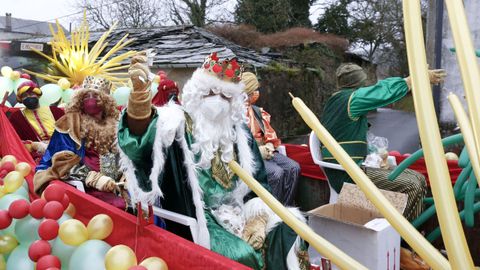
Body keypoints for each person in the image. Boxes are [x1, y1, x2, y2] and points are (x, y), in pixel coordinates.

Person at [118, 52, 308, 270]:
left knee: (291, 229)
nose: (217, 101)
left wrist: (259, 218)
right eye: (210, 92)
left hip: (239, 209)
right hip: (200, 217)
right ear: (196, 92)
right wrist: (140, 99)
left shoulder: (240, 134)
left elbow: (259, 184)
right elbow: (140, 144)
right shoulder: (175, 124)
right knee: (241, 254)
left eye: (225, 96)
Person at [320, 63, 446, 221]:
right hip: (348, 174)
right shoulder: (352, 99)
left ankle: (401, 234)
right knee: (413, 185)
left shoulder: (336, 101)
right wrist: (412, 80)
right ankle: (400, 236)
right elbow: (382, 92)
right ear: (360, 83)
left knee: (419, 178)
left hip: (349, 167)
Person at [34, 76, 126, 208]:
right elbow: (61, 161)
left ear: (105, 101)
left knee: (145, 206)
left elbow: (125, 154)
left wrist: (126, 175)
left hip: (116, 184)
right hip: (84, 184)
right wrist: (93, 179)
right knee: (121, 207)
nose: (90, 99)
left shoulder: (115, 123)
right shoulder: (69, 123)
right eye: (86, 96)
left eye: (95, 95)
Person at [242, 72, 300, 206]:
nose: (256, 93)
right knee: (276, 173)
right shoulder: (234, 113)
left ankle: (286, 207)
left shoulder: (256, 111)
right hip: (248, 155)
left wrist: (269, 145)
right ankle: (271, 212)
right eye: (253, 91)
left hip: (265, 150)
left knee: (293, 167)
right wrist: (257, 151)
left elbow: (270, 134)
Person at [3, 81, 64, 161]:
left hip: (63, 148)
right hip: (36, 156)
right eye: (25, 95)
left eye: (32, 94)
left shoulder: (55, 111)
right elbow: (14, 140)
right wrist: (34, 145)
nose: (29, 97)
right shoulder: (16, 117)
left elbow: (68, 130)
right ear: (21, 99)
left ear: (38, 95)